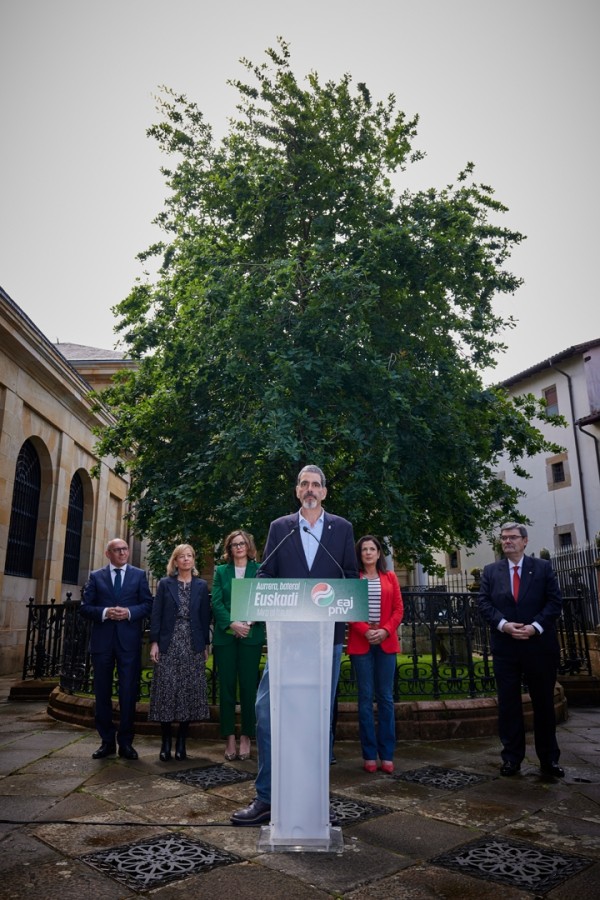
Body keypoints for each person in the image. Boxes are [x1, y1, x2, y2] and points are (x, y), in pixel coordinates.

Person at [231, 464, 358, 826]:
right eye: (304, 484)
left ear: (325, 492)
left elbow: (349, 576)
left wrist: (331, 598)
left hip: (326, 638)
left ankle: (314, 797)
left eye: (316, 484)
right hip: (286, 638)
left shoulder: (343, 529)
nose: (310, 489)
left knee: (318, 718)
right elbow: (266, 574)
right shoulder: (280, 528)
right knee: (266, 712)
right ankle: (267, 798)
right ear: (297, 490)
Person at [477, 522, 564, 779]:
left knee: (544, 704)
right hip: (506, 648)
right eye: (504, 538)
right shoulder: (491, 571)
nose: (507, 541)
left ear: (525, 541)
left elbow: (554, 602)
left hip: (538, 647)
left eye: (513, 537)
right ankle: (512, 758)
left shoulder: (543, 568)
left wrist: (534, 627)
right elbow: (484, 603)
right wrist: (504, 625)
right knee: (509, 705)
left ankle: (548, 759)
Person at [80, 538, 153, 760]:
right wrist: (105, 613)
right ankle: (107, 741)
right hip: (102, 643)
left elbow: (148, 604)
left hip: (128, 643)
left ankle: (126, 742)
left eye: (125, 549)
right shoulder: (96, 576)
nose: (122, 553)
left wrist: (129, 612)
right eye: (117, 550)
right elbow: (85, 607)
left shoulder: (139, 575)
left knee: (128, 693)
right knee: (101, 692)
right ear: (108, 553)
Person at [148, 544, 211, 761]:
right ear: (175, 561)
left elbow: (205, 617)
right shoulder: (166, 584)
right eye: (181, 557)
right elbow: (156, 614)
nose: (186, 559)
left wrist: (204, 644)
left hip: (192, 643)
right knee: (166, 691)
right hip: (168, 641)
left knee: (188, 691)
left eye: (189, 556)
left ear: (193, 560)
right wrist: (154, 642)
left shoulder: (202, 586)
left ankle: (181, 743)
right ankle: (165, 743)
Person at [348, 535, 404, 774]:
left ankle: (387, 754)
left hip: (386, 643)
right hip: (361, 644)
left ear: (379, 553)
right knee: (364, 700)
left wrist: (384, 630)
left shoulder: (390, 577)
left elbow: (398, 609)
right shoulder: (354, 579)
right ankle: (369, 754)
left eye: (372, 549)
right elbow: (348, 609)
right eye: (364, 550)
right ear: (359, 554)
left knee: (386, 699)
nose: (368, 553)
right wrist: (364, 630)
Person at [211, 529, 264, 761]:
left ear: (249, 546)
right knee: (227, 687)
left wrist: (248, 622)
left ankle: (246, 737)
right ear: (229, 549)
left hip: (251, 635)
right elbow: (216, 601)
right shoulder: (221, 572)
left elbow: (264, 597)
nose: (239, 547)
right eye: (234, 544)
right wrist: (233, 624)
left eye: (242, 543)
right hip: (226, 636)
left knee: (250, 688)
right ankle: (230, 736)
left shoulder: (260, 570)